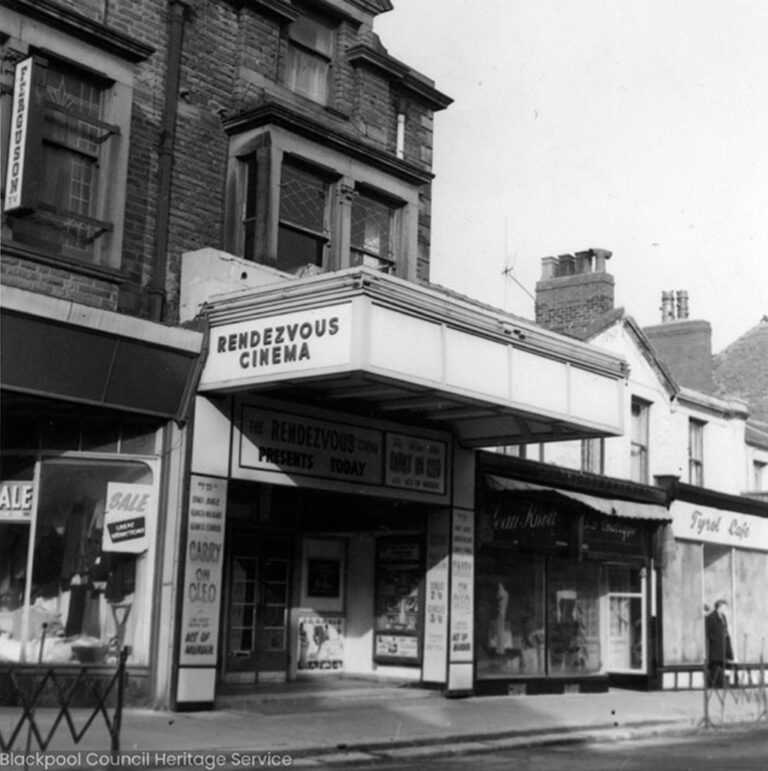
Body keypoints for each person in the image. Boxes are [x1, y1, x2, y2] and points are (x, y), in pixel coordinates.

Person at [705, 599, 734, 688]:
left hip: (723, 645)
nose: (724, 609)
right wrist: (716, 639)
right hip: (716, 646)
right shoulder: (710, 617)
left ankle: (722, 683)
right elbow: (708, 633)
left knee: (724, 664)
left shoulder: (723, 617)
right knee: (716, 664)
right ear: (719, 607)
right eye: (723, 607)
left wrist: (726, 636)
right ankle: (714, 684)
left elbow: (725, 629)